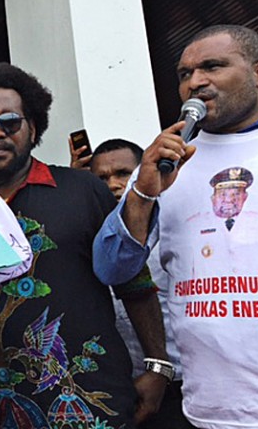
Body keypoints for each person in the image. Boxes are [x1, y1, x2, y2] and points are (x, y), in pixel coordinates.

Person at [0, 62, 166, 429]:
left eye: (9, 122)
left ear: (33, 128)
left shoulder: (83, 190)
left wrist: (158, 366)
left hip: (92, 410)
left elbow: (134, 283)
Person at [94, 24, 258, 429]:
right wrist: (144, 194)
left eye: (213, 67)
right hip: (208, 410)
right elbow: (112, 267)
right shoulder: (164, 164)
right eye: (185, 74)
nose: (196, 82)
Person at [73, 138, 192, 428]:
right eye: (101, 178)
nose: (112, 184)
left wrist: (160, 367)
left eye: (123, 174)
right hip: (122, 386)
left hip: (180, 381)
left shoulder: (173, 223)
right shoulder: (89, 233)